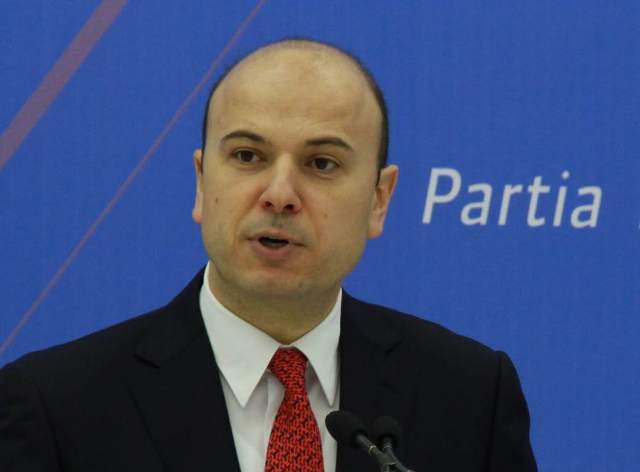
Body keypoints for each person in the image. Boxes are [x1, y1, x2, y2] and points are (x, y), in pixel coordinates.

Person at [0, 39, 537, 471]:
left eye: (322, 163)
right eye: (247, 155)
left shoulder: (469, 395)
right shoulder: (57, 406)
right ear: (201, 181)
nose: (279, 194)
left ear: (379, 199)